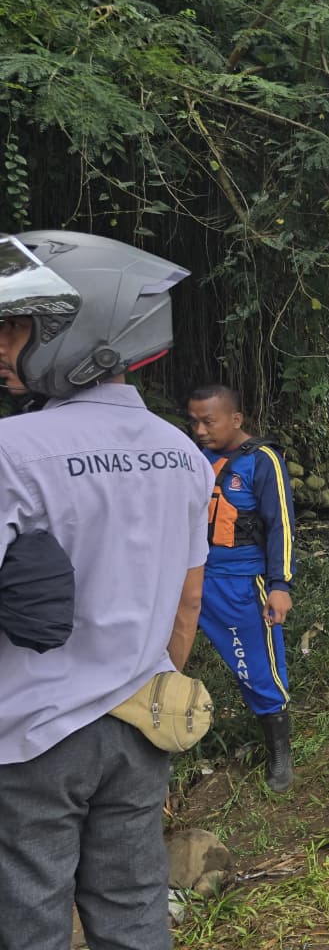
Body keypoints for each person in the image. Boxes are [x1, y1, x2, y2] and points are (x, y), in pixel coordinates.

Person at [0, 230, 212, 950]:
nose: (3, 347)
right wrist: (156, 684)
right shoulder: (185, 456)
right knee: (132, 907)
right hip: (140, 723)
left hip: (31, 734)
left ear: (75, 329)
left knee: (30, 916)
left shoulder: (12, 453)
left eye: (17, 328)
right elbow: (188, 602)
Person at [187, 384, 298, 792]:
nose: (199, 429)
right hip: (193, 574)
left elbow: (281, 524)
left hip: (240, 580)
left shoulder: (263, 460)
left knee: (255, 665)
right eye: (194, 421)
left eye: (208, 421)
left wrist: (280, 584)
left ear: (236, 419)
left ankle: (279, 752)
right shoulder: (194, 458)